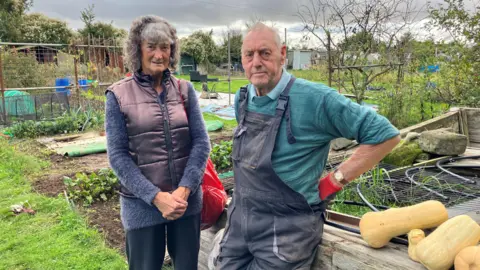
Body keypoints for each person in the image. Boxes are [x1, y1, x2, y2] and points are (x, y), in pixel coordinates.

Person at [215, 23, 401, 269]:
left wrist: (335, 180)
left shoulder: (316, 99)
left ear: (283, 54)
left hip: (287, 231)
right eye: (249, 54)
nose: (256, 61)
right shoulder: (242, 98)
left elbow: (385, 135)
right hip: (240, 223)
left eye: (265, 52)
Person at [105, 15, 210, 270]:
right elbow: (118, 156)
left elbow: (201, 143)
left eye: (165, 47)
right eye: (151, 46)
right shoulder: (118, 95)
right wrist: (155, 197)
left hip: (185, 204)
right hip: (142, 206)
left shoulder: (185, 90)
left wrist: (184, 190)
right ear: (137, 49)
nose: (159, 54)